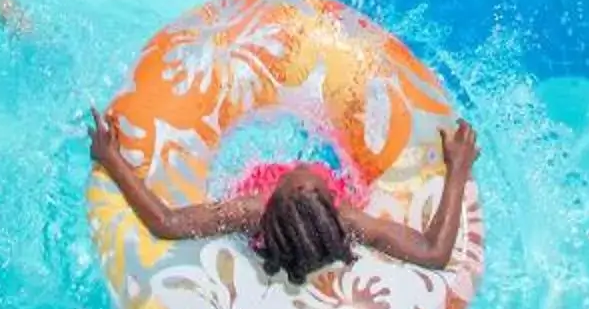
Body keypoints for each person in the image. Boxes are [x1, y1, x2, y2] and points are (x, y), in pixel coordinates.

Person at [88, 110, 478, 282]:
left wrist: (110, 157)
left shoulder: (259, 209)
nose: (301, 167)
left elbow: (166, 223)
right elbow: (432, 252)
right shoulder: (340, 218)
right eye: (302, 177)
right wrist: (457, 169)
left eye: (296, 179)